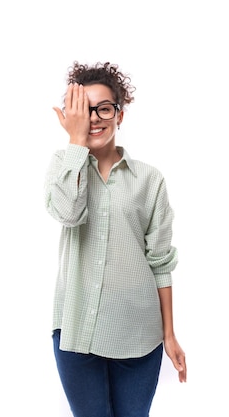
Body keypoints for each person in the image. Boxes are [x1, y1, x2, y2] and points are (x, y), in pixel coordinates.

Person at [44, 61, 186, 417]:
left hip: (139, 334)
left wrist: (169, 334)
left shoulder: (150, 180)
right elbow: (67, 213)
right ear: (70, 116)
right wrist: (76, 143)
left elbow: (161, 262)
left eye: (103, 108)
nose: (94, 118)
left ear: (119, 115)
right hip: (77, 333)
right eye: (83, 110)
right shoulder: (63, 166)